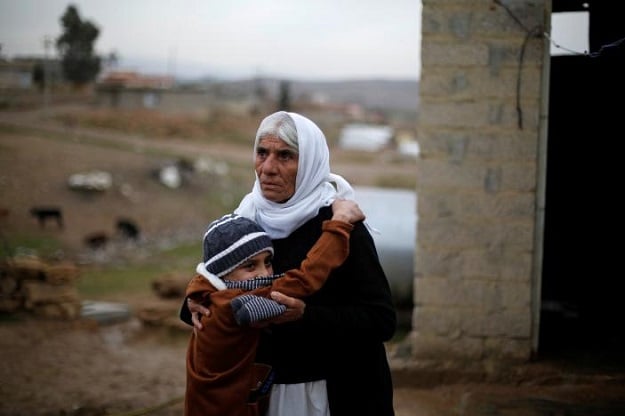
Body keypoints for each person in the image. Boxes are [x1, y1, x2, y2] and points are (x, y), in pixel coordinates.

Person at [181, 110, 396, 416]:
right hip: (263, 395)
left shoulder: (341, 226)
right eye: (262, 153)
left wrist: (306, 315)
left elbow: (381, 320)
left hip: (334, 393)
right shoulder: (245, 221)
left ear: (309, 163)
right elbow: (215, 285)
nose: (267, 168)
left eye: (285, 156)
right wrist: (195, 301)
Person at [185, 200, 364, 416]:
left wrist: (195, 289)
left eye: (268, 262)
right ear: (222, 274)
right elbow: (303, 280)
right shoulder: (238, 305)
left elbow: (207, 275)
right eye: (250, 266)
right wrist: (340, 224)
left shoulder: (210, 295)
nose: (264, 274)